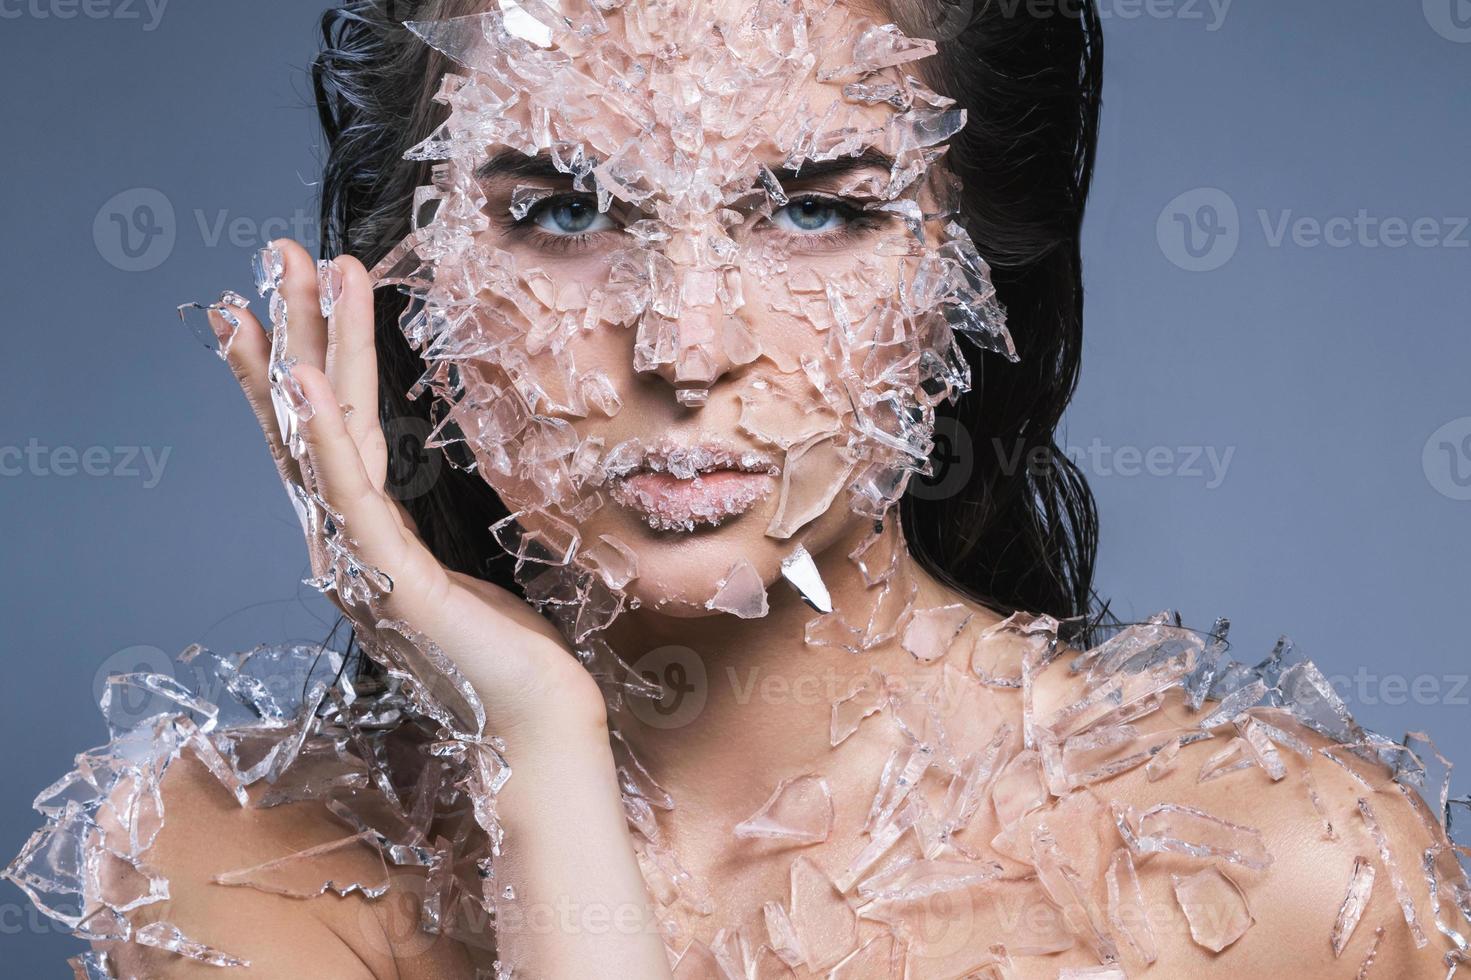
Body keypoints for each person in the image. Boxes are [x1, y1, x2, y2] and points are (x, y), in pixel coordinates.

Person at [7, 0, 1467, 977]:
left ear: (968, 275)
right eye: (564, 211)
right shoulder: (235, 857)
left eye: (816, 208)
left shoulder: (1286, 880)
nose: (684, 346)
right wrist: (539, 751)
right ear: (405, 268)